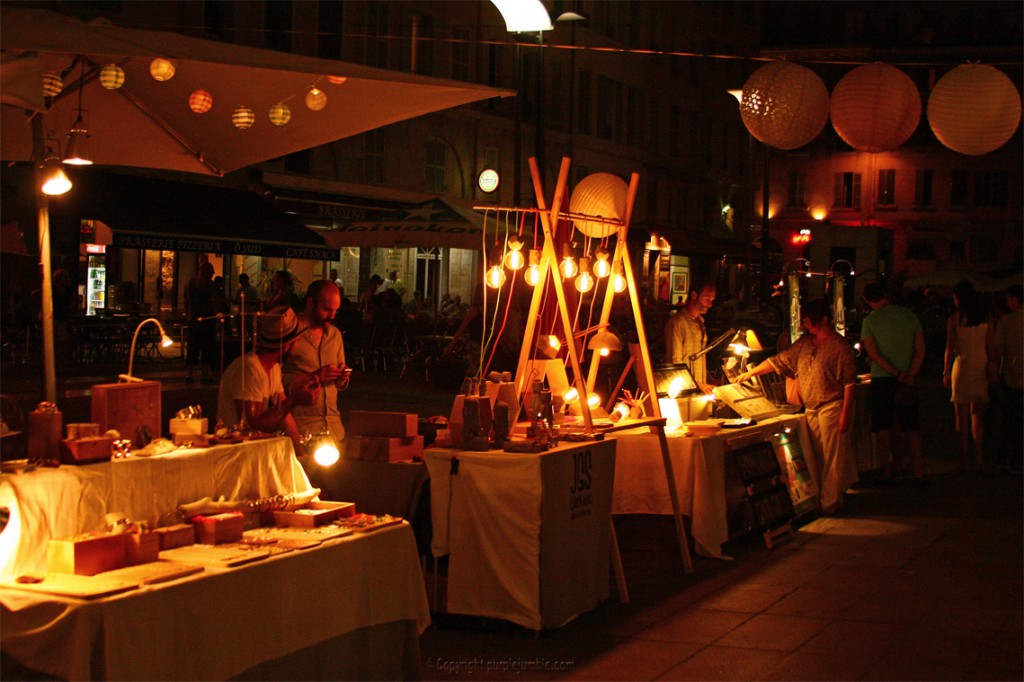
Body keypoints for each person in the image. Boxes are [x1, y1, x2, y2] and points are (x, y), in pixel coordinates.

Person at [734, 298, 858, 514]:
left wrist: (845, 413)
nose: (805, 325)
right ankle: (826, 497)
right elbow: (779, 360)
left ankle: (829, 504)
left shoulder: (839, 347)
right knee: (818, 455)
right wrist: (750, 373)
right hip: (811, 407)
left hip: (831, 405)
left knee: (832, 456)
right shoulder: (805, 344)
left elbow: (849, 382)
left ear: (824, 320)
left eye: (809, 321)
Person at [216, 306, 320, 450]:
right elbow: (252, 425)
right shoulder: (250, 369)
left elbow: (285, 417)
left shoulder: (274, 368)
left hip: (254, 452)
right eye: (296, 341)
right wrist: (294, 399)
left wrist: (299, 454)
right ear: (287, 345)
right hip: (236, 453)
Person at [860, 282, 926, 481]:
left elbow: (874, 354)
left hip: (882, 379)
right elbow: (920, 350)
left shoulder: (870, 321)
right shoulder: (909, 316)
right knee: (911, 426)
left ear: (867, 300)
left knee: (883, 427)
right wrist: (909, 374)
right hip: (907, 380)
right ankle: (918, 470)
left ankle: (887, 472)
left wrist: (894, 372)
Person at [281, 280, 351, 449]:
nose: (332, 316)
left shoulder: (334, 335)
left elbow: (340, 378)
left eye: (335, 311)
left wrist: (342, 379)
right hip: (302, 428)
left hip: (333, 429)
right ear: (311, 303)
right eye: (327, 310)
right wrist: (314, 377)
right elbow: (272, 378)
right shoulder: (289, 333)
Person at [943, 279, 995, 473]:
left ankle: (964, 458)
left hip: (962, 366)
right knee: (977, 415)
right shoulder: (986, 318)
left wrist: (946, 371)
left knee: (961, 414)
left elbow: (949, 348)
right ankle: (979, 457)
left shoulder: (954, 319)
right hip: (980, 365)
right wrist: (992, 366)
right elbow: (991, 346)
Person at [664, 278, 716, 390]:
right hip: (684, 388)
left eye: (712, 300)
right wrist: (696, 384)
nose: (710, 304)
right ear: (694, 295)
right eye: (707, 299)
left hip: (699, 388)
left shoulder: (701, 322)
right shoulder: (677, 322)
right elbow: (675, 362)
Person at [993, 284, 1023, 474]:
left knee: (1013, 422)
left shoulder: (1006, 321)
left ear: (1014, 299)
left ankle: (1014, 461)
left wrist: (998, 372)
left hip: (1013, 377)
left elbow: (998, 349)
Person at [184, 261, 218, 383]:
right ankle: (205, 375)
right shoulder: (210, 285)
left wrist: (188, 315)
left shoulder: (190, 283)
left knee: (193, 348)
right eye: (211, 271)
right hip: (208, 320)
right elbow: (214, 302)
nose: (213, 274)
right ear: (205, 272)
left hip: (193, 320)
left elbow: (186, 302)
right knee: (207, 348)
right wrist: (217, 315)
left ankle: (190, 374)